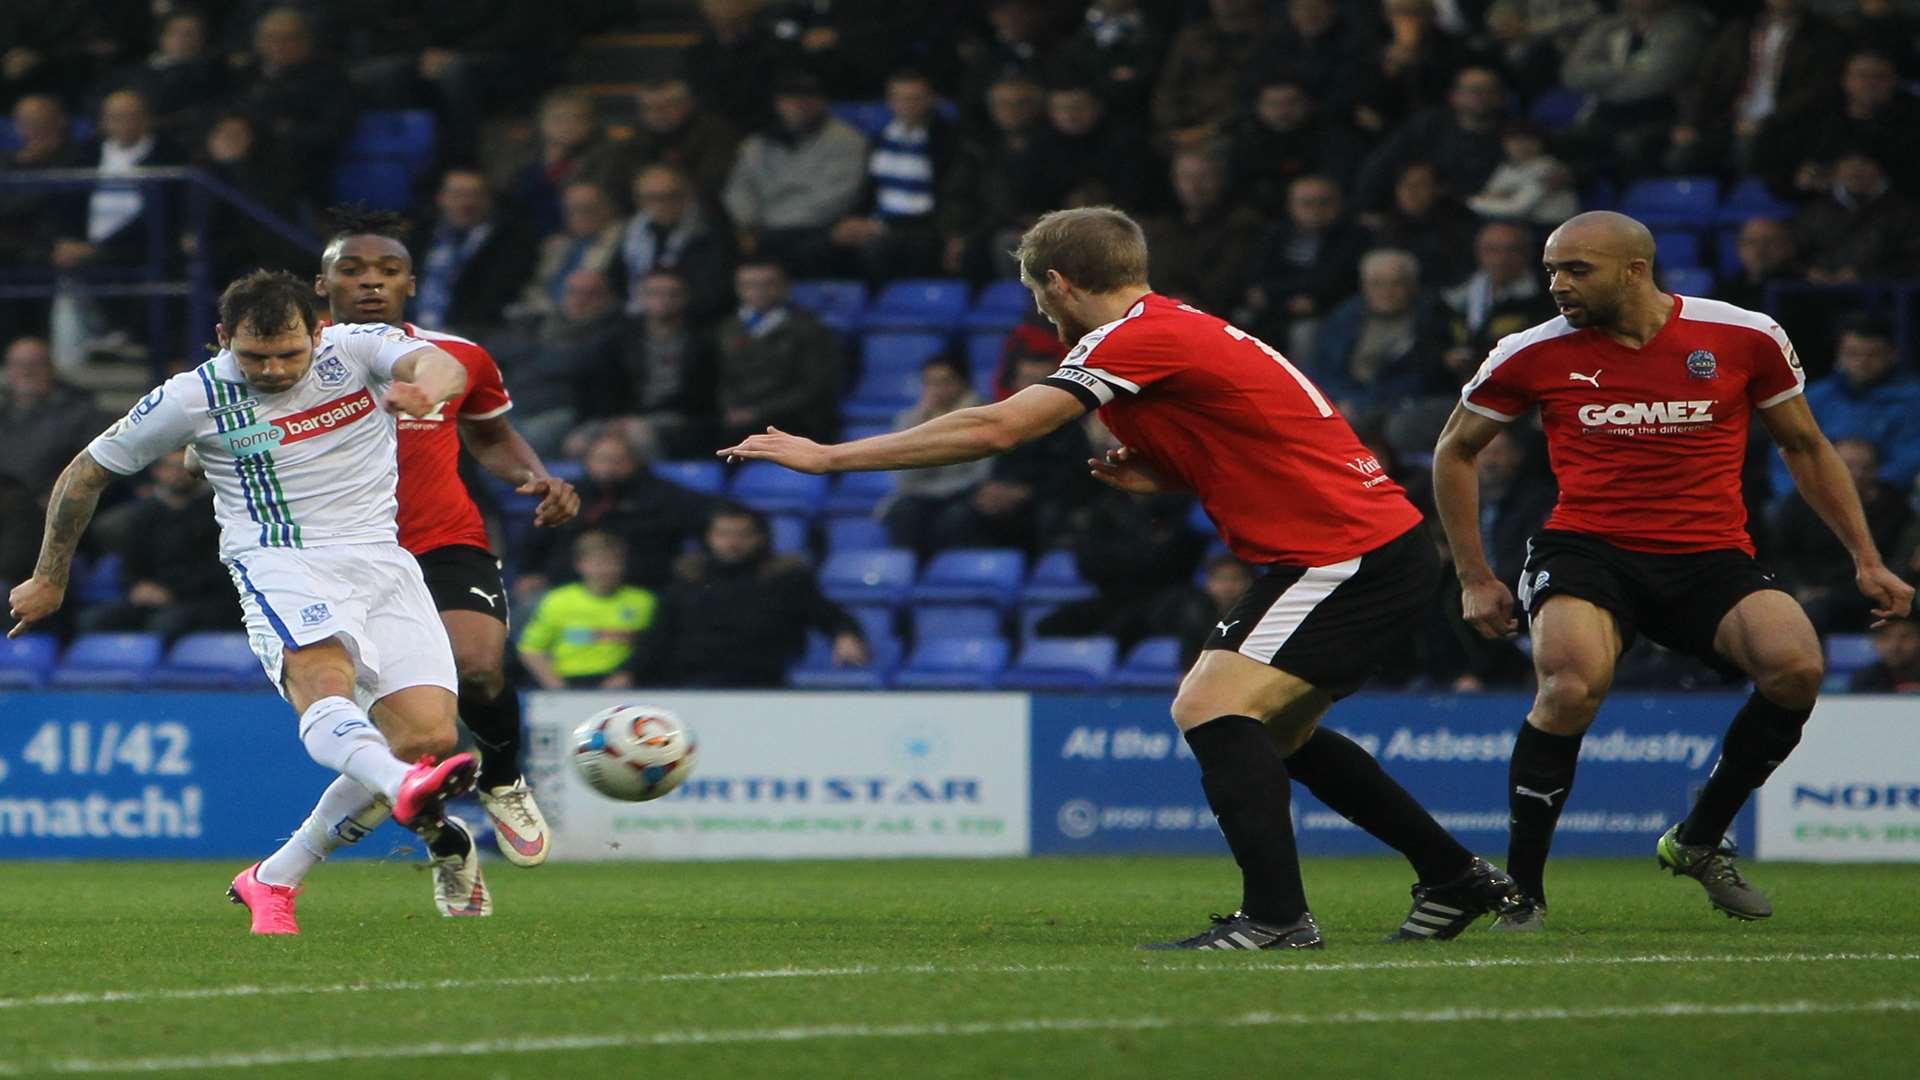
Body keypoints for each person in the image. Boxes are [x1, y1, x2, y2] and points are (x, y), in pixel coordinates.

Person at [722, 206, 1526, 948]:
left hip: (1345, 552)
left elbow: (1000, 425)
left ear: (1060, 283)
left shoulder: (1130, 339)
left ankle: (1277, 918)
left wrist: (831, 456)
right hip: (1361, 545)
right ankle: (1454, 877)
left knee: (1209, 707)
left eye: (1039, 291)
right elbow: (1263, 437)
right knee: (1278, 734)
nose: (1040, 309)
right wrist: (1170, 472)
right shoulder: (1179, 328)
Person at [1432, 211, 1914, 929]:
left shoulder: (1743, 336)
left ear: (1635, 269)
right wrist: (1475, 576)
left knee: (1796, 669)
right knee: (1569, 686)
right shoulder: (1530, 352)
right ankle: (1523, 890)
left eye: (1576, 270)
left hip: (1710, 554)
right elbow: (1454, 451)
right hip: (1587, 550)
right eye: (1552, 271)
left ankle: (1696, 839)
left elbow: (1806, 447)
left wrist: (1867, 559)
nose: (1559, 285)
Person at [7, 270, 488, 935]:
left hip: (383, 561)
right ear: (221, 339)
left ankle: (275, 876)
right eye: (254, 356)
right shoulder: (192, 396)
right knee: (326, 684)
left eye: (288, 353)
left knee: (428, 737)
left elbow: (439, 362)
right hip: (281, 563)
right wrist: (50, 576)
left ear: (317, 332)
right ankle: (407, 791)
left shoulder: (354, 349)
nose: (272, 369)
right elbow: (85, 473)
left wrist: (426, 389)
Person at [290, 206, 580, 875]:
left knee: (478, 667)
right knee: (412, 732)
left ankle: (503, 779)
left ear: (410, 285)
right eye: (353, 269)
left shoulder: (459, 358)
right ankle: (435, 839)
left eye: (388, 271)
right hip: (341, 557)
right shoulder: (289, 362)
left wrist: (535, 478)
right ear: (322, 283)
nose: (371, 282)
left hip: (442, 541)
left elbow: (490, 434)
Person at [626, 504, 868, 687]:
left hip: (763, 685)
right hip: (693, 686)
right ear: (709, 538)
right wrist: (631, 673)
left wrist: (845, 635)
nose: (732, 542)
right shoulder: (688, 580)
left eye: (742, 534)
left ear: (760, 538)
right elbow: (659, 635)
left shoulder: (785, 580)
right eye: (724, 534)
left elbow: (829, 616)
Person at [73, 449, 228, 640]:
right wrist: (137, 587)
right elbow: (130, 565)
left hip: (201, 599)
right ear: (158, 471)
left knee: (165, 624)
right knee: (91, 620)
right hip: (152, 598)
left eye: (184, 468)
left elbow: (219, 569)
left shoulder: (216, 513)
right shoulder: (143, 514)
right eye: (170, 467)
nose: (177, 473)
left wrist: (172, 592)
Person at [518, 531, 657, 690]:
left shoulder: (643, 602)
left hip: (623, 687)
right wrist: (558, 687)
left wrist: (629, 675)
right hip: (570, 682)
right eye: (598, 563)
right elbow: (531, 649)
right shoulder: (558, 601)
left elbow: (649, 648)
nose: (605, 570)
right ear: (580, 564)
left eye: (612, 562)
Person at [1849, 618, 1920, 692]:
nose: (1894, 646)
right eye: (1885, 636)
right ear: (1874, 642)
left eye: (1905, 637)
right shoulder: (1865, 679)